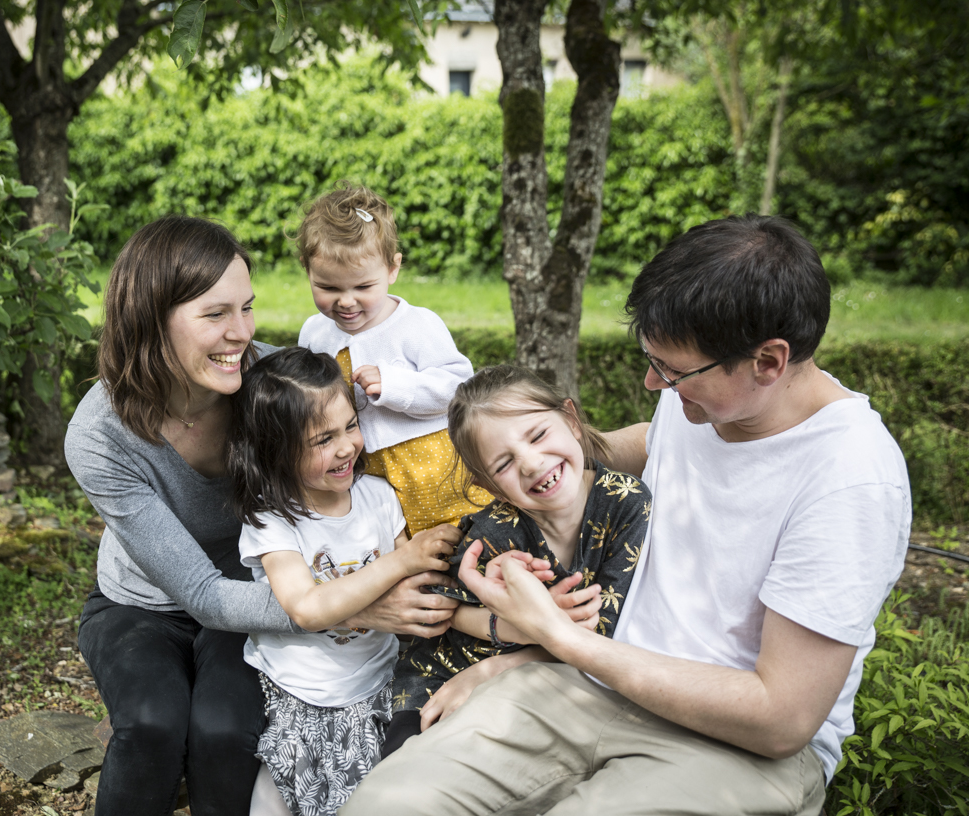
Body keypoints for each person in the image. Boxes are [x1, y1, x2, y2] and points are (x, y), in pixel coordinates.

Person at [342, 214, 912, 816]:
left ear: (768, 362)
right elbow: (645, 443)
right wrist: (521, 464)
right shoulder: (709, 404)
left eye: (672, 370)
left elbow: (780, 718)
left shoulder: (850, 479)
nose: (652, 382)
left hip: (732, 745)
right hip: (589, 686)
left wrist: (551, 637)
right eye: (652, 359)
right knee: (383, 806)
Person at [64, 216, 462, 816]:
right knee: (151, 725)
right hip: (143, 606)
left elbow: (395, 443)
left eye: (246, 308)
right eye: (215, 314)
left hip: (266, 590)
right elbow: (202, 594)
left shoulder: (275, 389)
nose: (241, 333)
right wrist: (355, 605)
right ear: (149, 318)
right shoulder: (99, 435)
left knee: (223, 731)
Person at [226, 346, 456, 816]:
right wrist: (401, 561)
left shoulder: (378, 497)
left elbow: (413, 593)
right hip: (303, 695)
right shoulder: (273, 521)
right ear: (276, 450)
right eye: (322, 439)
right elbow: (307, 609)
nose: (347, 446)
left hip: (381, 682)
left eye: (351, 426)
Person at [384, 365, 650, 756]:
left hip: (546, 678)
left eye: (538, 435)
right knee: (406, 762)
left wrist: (496, 667)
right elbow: (443, 610)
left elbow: (601, 632)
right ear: (489, 486)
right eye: (503, 464)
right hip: (444, 676)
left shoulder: (626, 504)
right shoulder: (492, 532)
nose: (531, 463)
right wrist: (514, 624)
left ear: (571, 420)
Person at [296, 183, 493, 537]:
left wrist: (396, 385)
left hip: (431, 465)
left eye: (363, 287)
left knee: (463, 535)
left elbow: (459, 387)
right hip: (364, 472)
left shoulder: (415, 325)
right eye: (328, 288)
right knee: (394, 545)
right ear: (307, 271)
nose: (346, 301)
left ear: (392, 269)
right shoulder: (314, 333)